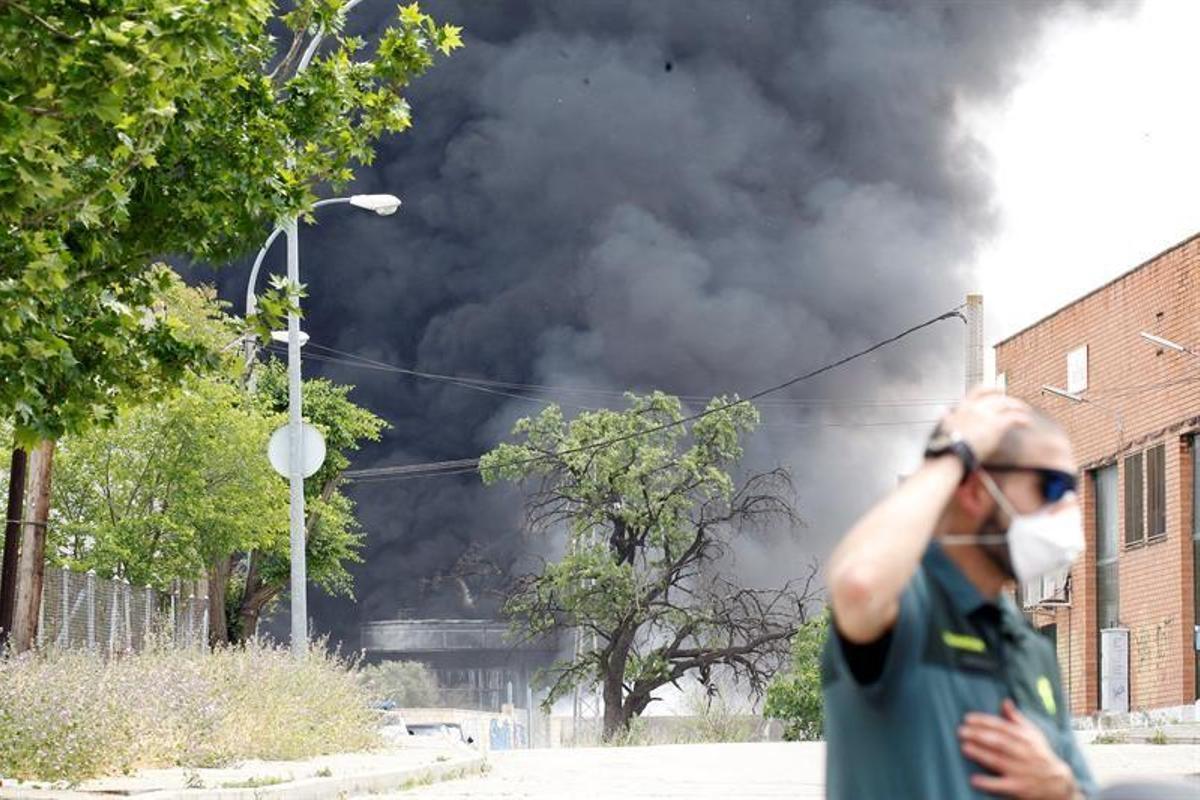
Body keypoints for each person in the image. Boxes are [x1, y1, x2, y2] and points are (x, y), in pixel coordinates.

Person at [822, 388, 1096, 799]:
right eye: (1052, 488)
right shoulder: (906, 603)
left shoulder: (1031, 647)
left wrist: (1060, 789)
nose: (1068, 509)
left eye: (1073, 490)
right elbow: (858, 584)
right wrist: (951, 453)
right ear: (973, 489)